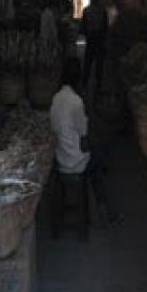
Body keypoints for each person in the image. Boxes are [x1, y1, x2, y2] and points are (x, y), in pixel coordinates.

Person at [48, 61, 115, 239]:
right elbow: (83, 132)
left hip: (60, 155)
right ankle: (104, 210)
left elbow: (54, 128)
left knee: (96, 155)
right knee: (98, 160)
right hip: (73, 161)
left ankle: (102, 209)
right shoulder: (76, 101)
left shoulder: (55, 98)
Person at [81, 0, 108, 92]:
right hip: (99, 40)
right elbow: (105, 28)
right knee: (98, 66)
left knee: (88, 63)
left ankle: (84, 85)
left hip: (91, 39)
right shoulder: (103, 11)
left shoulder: (87, 11)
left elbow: (82, 28)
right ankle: (98, 86)